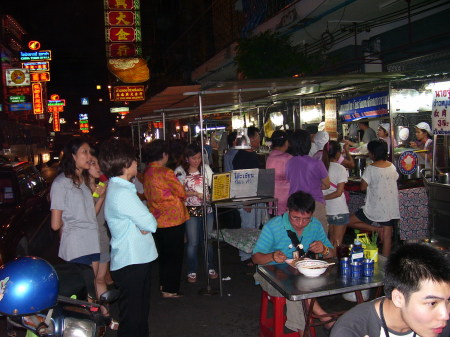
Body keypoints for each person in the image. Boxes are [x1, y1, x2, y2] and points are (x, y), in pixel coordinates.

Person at [252, 191, 336, 336]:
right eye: (295, 218)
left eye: (306, 219)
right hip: (269, 275)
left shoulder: (315, 225)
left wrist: (324, 249)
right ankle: (319, 322)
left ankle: (322, 320)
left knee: (299, 286)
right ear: (287, 211)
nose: (300, 223)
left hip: (300, 274)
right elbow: (256, 258)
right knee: (295, 289)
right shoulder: (273, 226)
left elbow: (332, 254)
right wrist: (272, 256)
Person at [99, 139, 158, 337]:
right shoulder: (123, 192)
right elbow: (150, 223)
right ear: (125, 164)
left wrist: (142, 223)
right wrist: (143, 223)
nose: (136, 162)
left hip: (134, 259)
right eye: (133, 159)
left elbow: (144, 222)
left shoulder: (122, 188)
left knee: (137, 315)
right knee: (133, 319)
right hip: (131, 261)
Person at [331, 243, 450, 337]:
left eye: (448, 301)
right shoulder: (352, 330)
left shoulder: (439, 325)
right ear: (398, 298)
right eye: (432, 303)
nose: (445, 315)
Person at [50, 138, 100, 299]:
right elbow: (55, 224)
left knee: (92, 288)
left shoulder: (83, 181)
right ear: (72, 156)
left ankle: (100, 320)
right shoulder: (61, 183)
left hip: (92, 240)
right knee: (81, 294)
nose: (89, 156)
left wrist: (101, 196)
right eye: (84, 152)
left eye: (89, 152)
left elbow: (91, 213)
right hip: (76, 245)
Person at [142, 139, 189, 298]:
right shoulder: (165, 172)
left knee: (164, 255)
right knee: (175, 256)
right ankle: (171, 289)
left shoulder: (147, 172)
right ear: (163, 155)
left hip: (157, 217)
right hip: (173, 217)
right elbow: (181, 192)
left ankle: (164, 284)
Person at [347, 139, 400, 256]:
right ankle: (385, 268)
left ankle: (376, 229)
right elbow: (395, 178)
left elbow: (362, 187)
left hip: (375, 205)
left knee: (348, 222)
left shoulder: (370, 168)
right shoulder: (391, 166)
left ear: (373, 154)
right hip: (390, 206)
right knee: (387, 238)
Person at [174, 143, 218, 283]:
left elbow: (215, 184)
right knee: (192, 242)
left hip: (207, 209)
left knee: (208, 240)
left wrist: (212, 195)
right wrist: (193, 193)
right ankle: (192, 270)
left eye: (199, 157)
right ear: (186, 158)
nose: (197, 160)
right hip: (190, 211)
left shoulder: (205, 168)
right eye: (194, 158)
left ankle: (210, 267)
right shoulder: (180, 171)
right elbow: (177, 191)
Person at [286, 129, 330, 234]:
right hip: (315, 205)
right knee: (319, 240)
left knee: (297, 240)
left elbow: (289, 180)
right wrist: (317, 186)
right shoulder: (317, 163)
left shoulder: (289, 162)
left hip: (295, 205)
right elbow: (327, 184)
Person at [84, 151, 110, 316]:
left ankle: (106, 315)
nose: (98, 166)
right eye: (93, 163)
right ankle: (92, 316)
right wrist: (100, 197)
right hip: (89, 239)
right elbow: (91, 216)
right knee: (91, 281)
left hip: (102, 236)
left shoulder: (100, 186)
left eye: (98, 162)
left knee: (101, 279)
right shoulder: (83, 190)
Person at [322, 141, 350, 248]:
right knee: (337, 245)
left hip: (326, 210)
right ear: (338, 154)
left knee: (328, 244)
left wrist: (322, 198)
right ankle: (336, 264)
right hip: (339, 210)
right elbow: (339, 192)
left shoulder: (321, 167)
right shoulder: (340, 168)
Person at [265, 130, 292, 214]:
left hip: (272, 199)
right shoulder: (288, 158)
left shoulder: (269, 157)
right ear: (285, 142)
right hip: (286, 200)